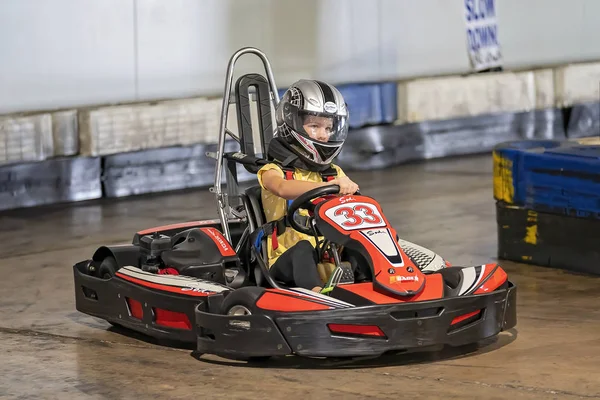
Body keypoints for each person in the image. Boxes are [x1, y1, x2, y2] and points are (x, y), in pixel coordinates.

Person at [256, 79, 360, 293]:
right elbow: (282, 188)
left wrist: (352, 190)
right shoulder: (272, 171)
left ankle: (385, 284)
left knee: (360, 243)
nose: (323, 135)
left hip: (330, 255)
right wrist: (326, 188)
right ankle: (315, 295)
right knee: (303, 249)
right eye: (314, 126)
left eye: (329, 128)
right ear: (291, 124)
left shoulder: (334, 174)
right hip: (283, 262)